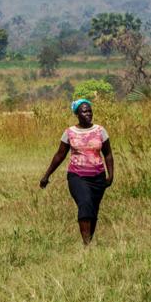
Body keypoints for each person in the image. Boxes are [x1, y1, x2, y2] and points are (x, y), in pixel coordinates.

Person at [39, 99, 114, 246]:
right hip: (77, 177)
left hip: (98, 177)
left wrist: (110, 175)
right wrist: (46, 175)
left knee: (93, 210)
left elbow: (108, 154)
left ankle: (89, 242)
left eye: (90, 111)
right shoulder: (69, 132)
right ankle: (87, 245)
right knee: (85, 204)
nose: (88, 114)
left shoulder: (100, 131)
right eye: (84, 111)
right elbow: (60, 155)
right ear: (77, 114)